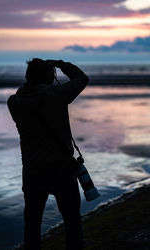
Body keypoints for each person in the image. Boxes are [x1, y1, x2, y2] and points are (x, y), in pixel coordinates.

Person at [7, 58, 89, 250]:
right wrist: (60, 63)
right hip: (61, 168)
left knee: (32, 226)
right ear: (48, 76)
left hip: (32, 170)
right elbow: (81, 78)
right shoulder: (57, 95)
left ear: (28, 77)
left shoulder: (14, 102)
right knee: (72, 222)